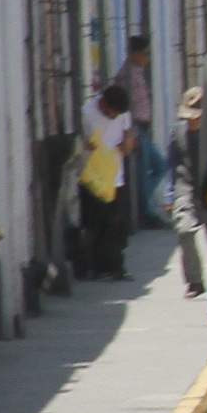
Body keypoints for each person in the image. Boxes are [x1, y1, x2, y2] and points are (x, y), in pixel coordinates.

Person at [79, 83, 135, 280]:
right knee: (94, 224)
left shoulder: (122, 115)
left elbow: (128, 134)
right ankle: (94, 267)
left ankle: (116, 267)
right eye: (113, 112)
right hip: (92, 178)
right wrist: (86, 145)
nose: (115, 116)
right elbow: (79, 141)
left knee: (115, 224)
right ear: (104, 104)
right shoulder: (86, 113)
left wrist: (127, 143)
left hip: (114, 177)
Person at [167, 87, 207, 298]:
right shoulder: (177, 132)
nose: (192, 121)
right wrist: (170, 195)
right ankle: (194, 281)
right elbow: (172, 164)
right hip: (185, 186)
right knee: (184, 229)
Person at [115, 37, 161, 228]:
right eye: (145, 54)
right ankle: (145, 212)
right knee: (142, 173)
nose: (147, 58)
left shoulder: (137, 72)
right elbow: (126, 108)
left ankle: (143, 204)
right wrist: (131, 133)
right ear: (135, 54)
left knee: (160, 165)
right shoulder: (127, 76)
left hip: (142, 127)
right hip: (135, 128)